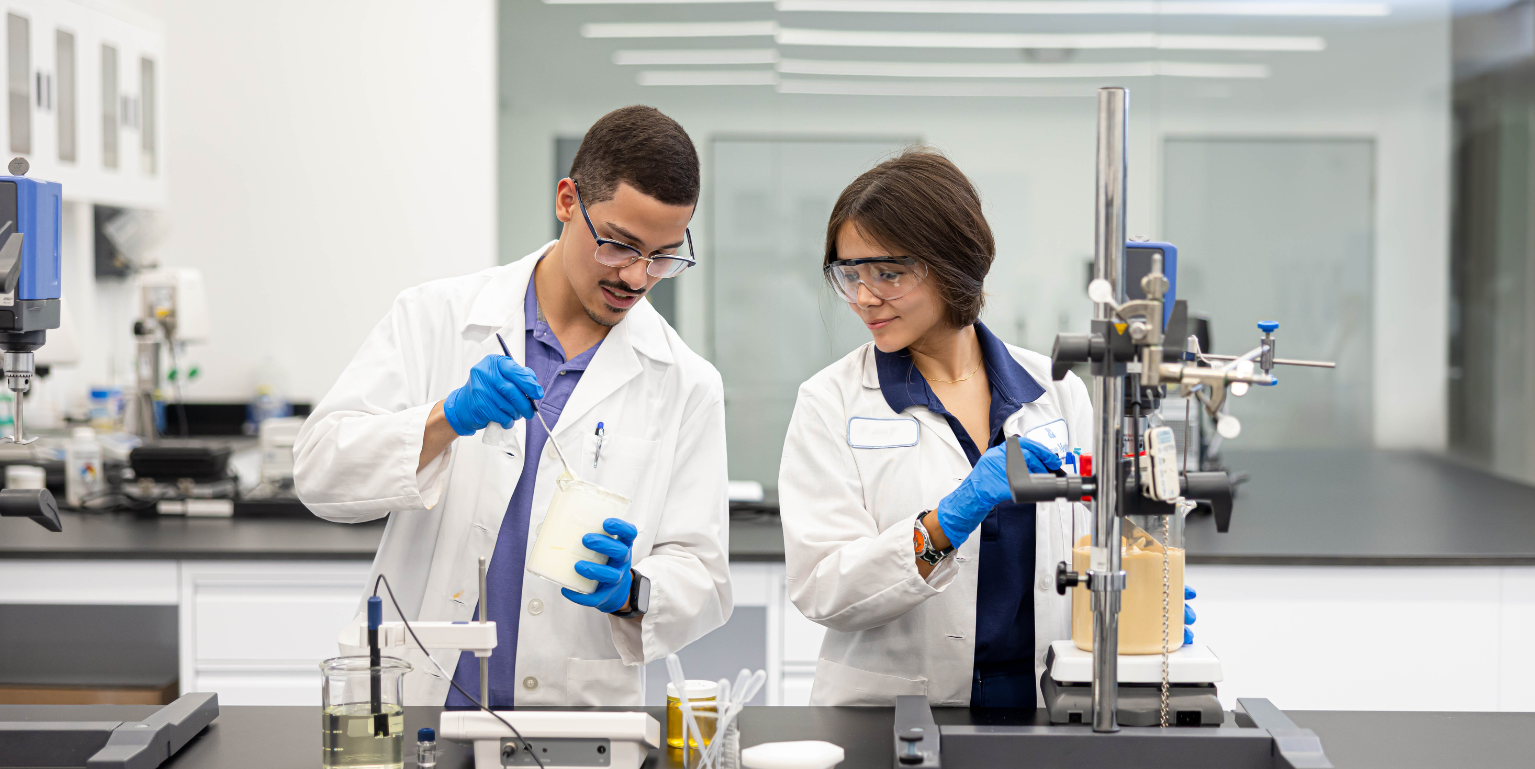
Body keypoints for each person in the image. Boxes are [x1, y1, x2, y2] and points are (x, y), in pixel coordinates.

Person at [295, 105, 731, 707]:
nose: (636, 277)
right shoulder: (436, 318)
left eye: (662, 256)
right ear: (566, 200)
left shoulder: (685, 383)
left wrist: (633, 590)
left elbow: (703, 576)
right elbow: (319, 472)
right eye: (619, 245)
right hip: (422, 697)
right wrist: (446, 418)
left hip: (576, 718)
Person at [778, 149, 1093, 708]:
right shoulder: (830, 402)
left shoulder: (1057, 392)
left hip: (1044, 706)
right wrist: (940, 526)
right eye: (850, 275)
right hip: (890, 716)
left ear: (953, 265)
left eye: (888, 273)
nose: (864, 297)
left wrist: (1144, 599)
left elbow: (1098, 544)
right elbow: (822, 588)